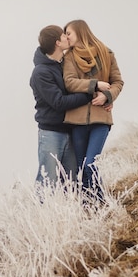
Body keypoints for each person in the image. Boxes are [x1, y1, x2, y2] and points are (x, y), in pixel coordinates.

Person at [29, 25, 107, 187]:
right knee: (47, 181)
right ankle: (43, 211)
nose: (68, 37)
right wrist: (90, 93)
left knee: (72, 182)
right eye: (64, 35)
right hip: (51, 133)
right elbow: (59, 102)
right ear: (58, 42)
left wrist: (107, 96)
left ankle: (76, 211)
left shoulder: (64, 64)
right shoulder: (41, 72)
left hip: (69, 130)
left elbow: (79, 83)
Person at [62, 19, 124, 201]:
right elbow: (69, 82)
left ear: (81, 32)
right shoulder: (69, 57)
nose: (66, 37)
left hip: (101, 119)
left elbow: (118, 82)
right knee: (81, 168)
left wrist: (108, 96)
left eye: (68, 33)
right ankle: (88, 207)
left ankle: (101, 202)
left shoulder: (107, 53)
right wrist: (94, 84)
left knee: (91, 164)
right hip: (76, 120)